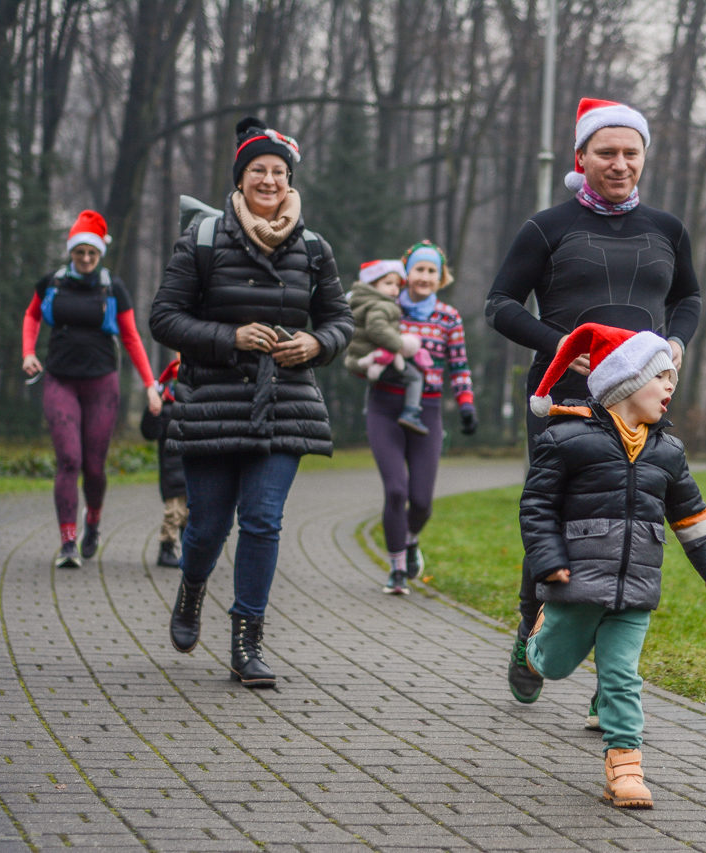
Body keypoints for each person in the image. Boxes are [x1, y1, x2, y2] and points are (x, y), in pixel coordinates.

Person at [485, 97, 702, 704]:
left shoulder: (667, 229)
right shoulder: (547, 228)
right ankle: (533, 627)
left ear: (643, 159)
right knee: (557, 519)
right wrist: (565, 348)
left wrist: (678, 341)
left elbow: (689, 299)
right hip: (563, 398)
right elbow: (499, 304)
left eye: (631, 153)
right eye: (606, 152)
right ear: (581, 158)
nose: (620, 163)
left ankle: (610, 685)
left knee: (630, 528)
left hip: (641, 401)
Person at [150, 116, 353, 688]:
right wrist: (228, 337)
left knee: (262, 520)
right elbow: (163, 317)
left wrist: (317, 342)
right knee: (208, 526)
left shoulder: (313, 247)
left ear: (291, 182)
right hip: (211, 400)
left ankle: (247, 639)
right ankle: (192, 588)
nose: (269, 180)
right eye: (258, 171)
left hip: (284, 404)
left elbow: (341, 320)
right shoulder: (204, 240)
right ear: (240, 179)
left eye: (279, 172)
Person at [520, 323, 706, 809]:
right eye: (663, 379)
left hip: (635, 586)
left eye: (673, 383)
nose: (669, 391)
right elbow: (536, 508)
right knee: (552, 666)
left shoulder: (668, 451)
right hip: (576, 580)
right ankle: (536, 640)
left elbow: (691, 513)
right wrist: (548, 564)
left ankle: (625, 766)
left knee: (621, 676)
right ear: (627, 381)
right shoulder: (568, 439)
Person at [22, 210, 162, 569]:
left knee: (95, 468)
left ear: (100, 255)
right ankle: (68, 542)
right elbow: (32, 316)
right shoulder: (52, 283)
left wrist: (150, 385)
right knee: (69, 459)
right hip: (60, 380)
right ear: (71, 251)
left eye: (92, 254)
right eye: (79, 252)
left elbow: (131, 337)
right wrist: (28, 352)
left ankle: (93, 522)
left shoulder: (112, 288)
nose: (85, 259)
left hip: (102, 383)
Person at [366, 240, 476, 595]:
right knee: (396, 490)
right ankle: (397, 568)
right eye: (418, 269)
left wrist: (466, 403)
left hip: (427, 410)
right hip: (385, 407)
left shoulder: (449, 317)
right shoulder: (388, 308)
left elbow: (458, 365)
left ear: (440, 277)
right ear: (406, 273)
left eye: (431, 271)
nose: (424, 276)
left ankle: (410, 540)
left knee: (423, 501)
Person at [344, 260, 431, 434]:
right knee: (415, 377)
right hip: (379, 354)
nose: (394, 289)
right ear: (372, 285)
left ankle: (368, 410)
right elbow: (377, 329)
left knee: (374, 379)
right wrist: (398, 345)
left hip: (361, 356)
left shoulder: (359, 302)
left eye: (397, 285)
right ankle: (411, 412)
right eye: (388, 283)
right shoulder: (381, 304)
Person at [139, 358, 186, 567]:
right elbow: (150, 432)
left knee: (192, 516)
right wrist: (152, 412)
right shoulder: (165, 410)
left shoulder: (196, 410)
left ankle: (191, 552)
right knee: (173, 514)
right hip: (172, 474)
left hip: (194, 473)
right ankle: (166, 549)